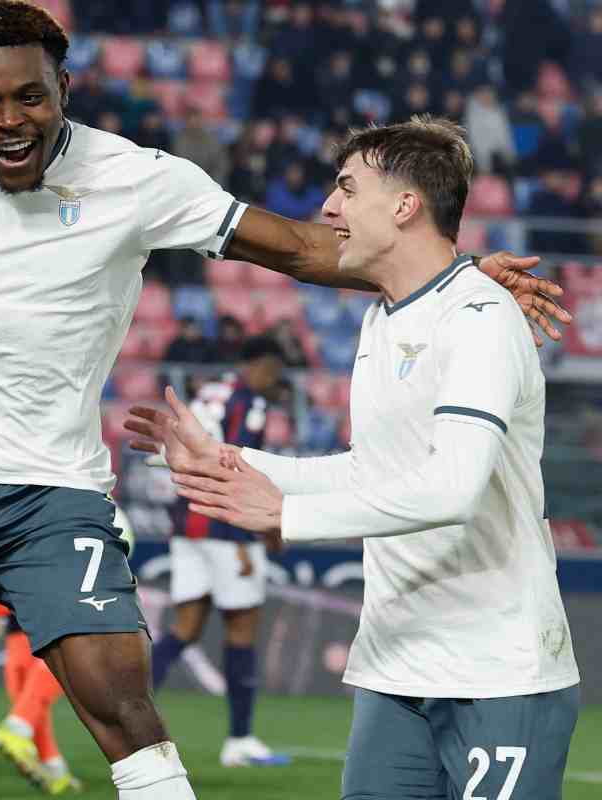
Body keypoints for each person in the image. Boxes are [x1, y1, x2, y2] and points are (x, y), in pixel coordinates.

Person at [0, 4, 568, 798]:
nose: (10, 120)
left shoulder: (139, 179)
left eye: (31, 97)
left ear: (65, 89)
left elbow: (301, 248)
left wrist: (449, 275)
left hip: (51, 497)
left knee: (127, 714)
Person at [129, 117, 580, 799]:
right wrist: (226, 460)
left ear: (405, 206)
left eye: (347, 188)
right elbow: (371, 470)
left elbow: (452, 488)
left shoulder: (481, 319)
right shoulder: (383, 319)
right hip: (394, 669)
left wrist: (288, 516)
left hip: (497, 669)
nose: (329, 207)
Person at [148, 336, 290, 768]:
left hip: (187, 523)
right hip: (226, 526)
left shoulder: (209, 392)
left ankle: (125, 716)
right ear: (257, 364)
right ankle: (240, 740)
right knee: (242, 629)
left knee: (185, 628)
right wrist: (259, 529)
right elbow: (237, 464)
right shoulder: (248, 402)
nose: (274, 381)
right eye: (272, 371)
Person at [0, 505, 135, 796]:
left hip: (16, 552)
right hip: (60, 562)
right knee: (66, 653)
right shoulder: (90, 502)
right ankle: (19, 725)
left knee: (24, 664)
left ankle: (51, 763)